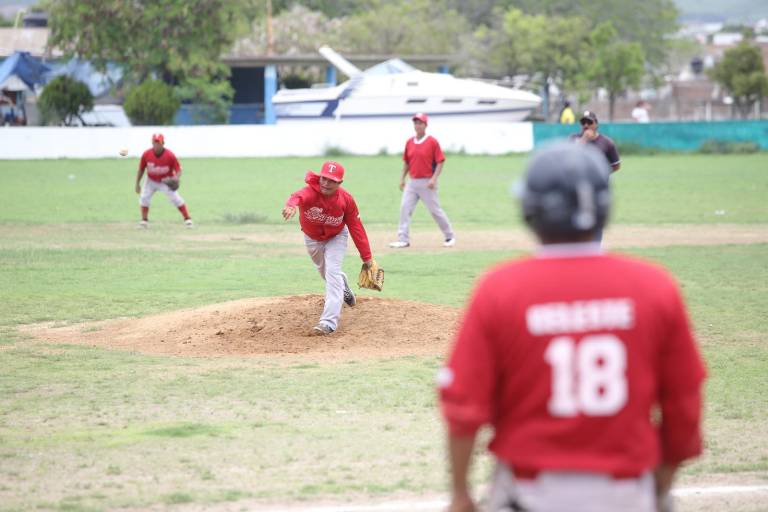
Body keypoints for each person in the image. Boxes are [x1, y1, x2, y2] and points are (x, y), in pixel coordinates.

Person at [438, 142, 706, 512]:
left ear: (530, 210)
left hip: (530, 493)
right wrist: (660, 484)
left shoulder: (499, 289)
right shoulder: (655, 286)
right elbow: (685, 401)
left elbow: (463, 409)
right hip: (627, 492)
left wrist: (460, 495)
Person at [282, 160, 374, 335]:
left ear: (339, 183)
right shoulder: (310, 192)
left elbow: (356, 227)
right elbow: (297, 196)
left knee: (332, 272)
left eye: (332, 180)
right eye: (324, 178)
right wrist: (290, 205)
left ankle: (328, 322)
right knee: (324, 271)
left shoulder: (346, 200)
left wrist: (367, 258)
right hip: (312, 238)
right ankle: (343, 286)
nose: (325, 183)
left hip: (337, 237)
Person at [389, 113, 456, 249]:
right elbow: (407, 162)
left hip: (427, 182)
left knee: (435, 210)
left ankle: (449, 236)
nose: (418, 125)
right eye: (416, 123)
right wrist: (402, 179)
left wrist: (434, 179)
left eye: (420, 123)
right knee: (404, 208)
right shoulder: (409, 142)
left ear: (426, 125)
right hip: (412, 182)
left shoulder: (432, 141)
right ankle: (403, 239)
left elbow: (440, 161)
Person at [135, 133, 193, 228]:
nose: (157, 145)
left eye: (159, 142)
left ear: (163, 143)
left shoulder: (170, 155)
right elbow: (141, 169)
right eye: (155, 142)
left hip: (166, 181)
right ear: (152, 143)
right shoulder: (146, 154)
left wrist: (175, 178)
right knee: (144, 198)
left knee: (176, 199)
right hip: (151, 180)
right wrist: (137, 184)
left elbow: (179, 169)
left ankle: (188, 219)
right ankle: (144, 221)